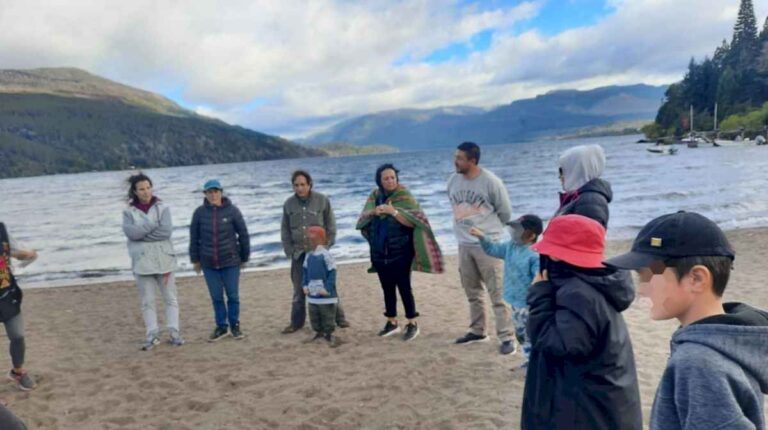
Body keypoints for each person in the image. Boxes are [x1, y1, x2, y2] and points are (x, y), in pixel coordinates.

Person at [605, 211, 768, 430]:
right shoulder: (733, 341)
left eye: (647, 276)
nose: (641, 289)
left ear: (697, 278)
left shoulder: (697, 361)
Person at [522, 214, 642, 429]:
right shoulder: (590, 285)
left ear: (556, 256)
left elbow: (556, 344)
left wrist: (540, 295)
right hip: (599, 404)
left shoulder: (578, 294)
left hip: (586, 412)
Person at [357, 164, 443, 341]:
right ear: (379, 181)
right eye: (386, 178)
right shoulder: (374, 196)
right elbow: (362, 220)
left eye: (392, 177)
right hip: (380, 252)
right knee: (386, 288)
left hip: (401, 251)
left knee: (404, 288)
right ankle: (392, 322)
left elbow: (416, 222)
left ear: (397, 179)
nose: (390, 181)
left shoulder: (405, 196)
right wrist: (374, 211)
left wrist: (393, 211)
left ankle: (412, 323)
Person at [446, 142, 515, 354]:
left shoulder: (491, 182)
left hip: (488, 245)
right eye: (455, 156)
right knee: (472, 291)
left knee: (498, 293)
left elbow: (505, 213)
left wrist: (488, 234)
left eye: (459, 158)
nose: (455, 161)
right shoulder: (453, 181)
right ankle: (478, 331)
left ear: (472, 161)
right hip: (464, 245)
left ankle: (507, 337)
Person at [469, 214, 542, 367]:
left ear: (531, 235)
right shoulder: (511, 246)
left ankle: (535, 362)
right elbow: (493, 249)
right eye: (513, 229)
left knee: (530, 333)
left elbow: (539, 276)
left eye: (518, 230)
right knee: (520, 333)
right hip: (515, 301)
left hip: (529, 303)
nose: (514, 232)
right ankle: (529, 360)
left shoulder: (535, 254)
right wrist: (483, 237)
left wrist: (536, 285)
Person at [280, 170, 348, 334]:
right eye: (296, 185)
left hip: (318, 254)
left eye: (303, 184)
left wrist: (326, 247)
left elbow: (331, 225)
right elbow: (285, 230)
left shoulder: (322, 200)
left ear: (309, 184)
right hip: (299, 254)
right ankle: (296, 323)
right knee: (299, 289)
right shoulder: (288, 204)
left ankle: (339, 319)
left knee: (328, 287)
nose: (300, 188)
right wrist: (289, 250)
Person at [122, 173, 183, 350]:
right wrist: (151, 226)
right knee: (147, 301)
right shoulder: (128, 212)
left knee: (170, 298)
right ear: (135, 191)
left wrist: (142, 232)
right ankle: (152, 334)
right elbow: (131, 234)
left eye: (148, 188)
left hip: (164, 260)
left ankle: (174, 332)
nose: (146, 192)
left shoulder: (163, 208)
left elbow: (166, 232)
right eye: (141, 189)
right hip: (142, 262)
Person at [190, 179, 250, 341]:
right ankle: (221, 327)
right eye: (210, 192)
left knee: (233, 296)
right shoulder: (199, 213)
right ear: (205, 194)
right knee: (216, 297)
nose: (213, 195)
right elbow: (194, 238)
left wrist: (244, 257)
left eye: (216, 191)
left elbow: (243, 235)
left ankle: (235, 326)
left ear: (221, 192)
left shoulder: (232, 211)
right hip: (209, 263)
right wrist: (195, 260)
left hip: (230, 262)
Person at [0, 223, 37, 391]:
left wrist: (28, 255)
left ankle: (18, 371)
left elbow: (12, 251)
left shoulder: (1, 228)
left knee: (17, 335)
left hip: (7, 293)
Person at [554, 144, 612, 228]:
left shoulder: (589, 201)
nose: (560, 176)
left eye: (562, 171)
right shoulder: (577, 197)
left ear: (577, 170)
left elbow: (588, 237)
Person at [301, 226, 341, 347]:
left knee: (327, 313)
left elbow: (332, 272)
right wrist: (304, 285)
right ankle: (318, 331)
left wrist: (327, 288)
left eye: (312, 239)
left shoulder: (326, 255)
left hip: (324, 291)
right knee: (314, 312)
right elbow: (305, 272)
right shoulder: (308, 256)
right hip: (312, 291)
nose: (309, 241)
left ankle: (329, 333)